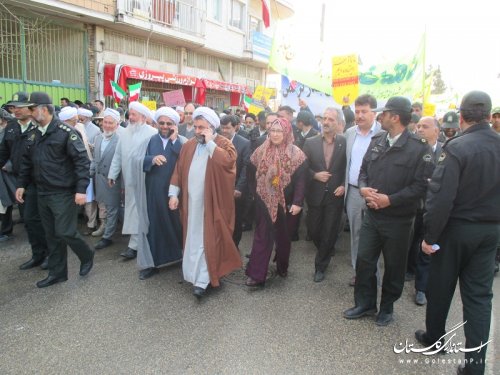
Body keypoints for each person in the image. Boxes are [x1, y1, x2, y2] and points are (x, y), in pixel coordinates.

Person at [415, 91, 500, 375]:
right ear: (489, 116)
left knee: (440, 287)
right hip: (490, 231)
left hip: (457, 229)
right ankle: (475, 366)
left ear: (461, 116)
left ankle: (435, 338)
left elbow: (441, 198)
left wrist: (429, 237)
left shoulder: (457, 147)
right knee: (479, 297)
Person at [343, 96, 433, 326]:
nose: (379, 117)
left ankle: (386, 308)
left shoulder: (418, 148)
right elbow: (363, 171)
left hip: (399, 220)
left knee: (394, 267)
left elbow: (421, 186)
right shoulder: (378, 140)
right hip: (372, 215)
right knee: (365, 261)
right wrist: (363, 189)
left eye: (383, 113)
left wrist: (389, 200)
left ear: (395, 117)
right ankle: (365, 303)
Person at [15, 92, 94, 288]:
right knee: (51, 234)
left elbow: (82, 162)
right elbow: (26, 162)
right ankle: (58, 273)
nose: (30, 113)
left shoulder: (65, 132)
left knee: (65, 231)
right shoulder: (34, 133)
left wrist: (81, 189)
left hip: (63, 192)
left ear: (44, 109)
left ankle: (87, 254)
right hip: (42, 191)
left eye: (32, 109)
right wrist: (21, 184)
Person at [168, 107, 242, 298]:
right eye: (196, 126)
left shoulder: (223, 144)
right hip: (191, 204)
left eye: (202, 127)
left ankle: (204, 280)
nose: (198, 131)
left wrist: (210, 144)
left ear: (212, 128)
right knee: (193, 238)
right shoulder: (189, 145)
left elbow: (228, 163)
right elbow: (178, 170)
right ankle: (193, 275)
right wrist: (174, 194)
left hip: (212, 204)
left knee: (208, 238)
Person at [245, 118, 307, 287]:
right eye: (273, 130)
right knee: (262, 236)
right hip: (264, 200)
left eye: (279, 131)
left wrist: (297, 202)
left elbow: (301, 181)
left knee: (283, 238)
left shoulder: (297, 154)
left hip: (286, 203)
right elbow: (250, 170)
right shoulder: (261, 150)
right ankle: (256, 275)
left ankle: (282, 266)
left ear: (286, 132)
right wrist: (255, 192)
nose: (275, 134)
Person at [0, 92, 49, 268]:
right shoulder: (12, 127)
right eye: (14, 107)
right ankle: (37, 254)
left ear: (31, 108)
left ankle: (50, 254)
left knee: (42, 220)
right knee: (28, 220)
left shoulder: (40, 127)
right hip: (19, 182)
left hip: (38, 182)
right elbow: (4, 152)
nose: (16, 110)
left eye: (20, 107)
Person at [139, 107, 185, 280]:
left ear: (175, 125)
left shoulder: (182, 141)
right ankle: (154, 263)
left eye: (169, 123)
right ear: (157, 123)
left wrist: (175, 141)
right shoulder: (149, 140)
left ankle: (180, 257)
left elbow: (186, 159)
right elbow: (138, 159)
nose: (165, 126)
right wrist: (152, 159)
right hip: (154, 191)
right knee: (155, 225)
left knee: (176, 224)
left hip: (175, 192)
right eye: (162, 123)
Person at [108, 102, 157, 260]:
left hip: (146, 181)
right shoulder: (125, 133)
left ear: (143, 117)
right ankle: (134, 244)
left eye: (134, 114)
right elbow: (118, 155)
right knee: (132, 212)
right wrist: (112, 174)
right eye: (130, 114)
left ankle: (140, 244)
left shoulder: (152, 133)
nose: (131, 117)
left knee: (144, 212)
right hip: (129, 181)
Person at [303, 107, 346, 282]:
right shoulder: (310, 142)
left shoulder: (344, 142)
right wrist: (314, 175)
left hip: (335, 195)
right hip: (315, 194)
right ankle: (325, 248)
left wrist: (343, 185)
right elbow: (302, 168)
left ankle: (321, 266)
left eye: (330, 119)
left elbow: (348, 168)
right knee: (313, 229)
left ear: (338, 123)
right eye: (324, 119)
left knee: (329, 231)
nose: (326, 122)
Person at [343, 94, 381, 287]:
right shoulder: (350, 133)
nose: (359, 115)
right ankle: (359, 272)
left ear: (374, 112)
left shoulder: (383, 133)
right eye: (357, 111)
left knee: (376, 236)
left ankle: (373, 273)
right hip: (354, 193)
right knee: (356, 234)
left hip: (376, 193)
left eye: (364, 111)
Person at [409, 116, 442, 306]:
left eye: (425, 126)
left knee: (426, 245)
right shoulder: (413, 149)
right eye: (419, 126)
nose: (420, 129)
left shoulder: (447, 150)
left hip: (434, 207)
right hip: (414, 204)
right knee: (411, 241)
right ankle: (408, 269)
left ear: (436, 131)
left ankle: (421, 288)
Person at [90, 109, 122, 251]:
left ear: (117, 124)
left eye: (111, 123)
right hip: (99, 179)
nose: (107, 125)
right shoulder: (98, 138)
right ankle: (109, 229)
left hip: (113, 180)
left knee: (112, 208)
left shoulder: (120, 140)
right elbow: (95, 160)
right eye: (105, 122)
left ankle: (108, 236)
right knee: (104, 206)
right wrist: (90, 174)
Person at [219, 114, 250, 248]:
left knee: (236, 219)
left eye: (227, 128)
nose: (224, 131)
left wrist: (239, 188)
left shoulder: (244, 143)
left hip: (235, 189)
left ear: (235, 127)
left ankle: (234, 246)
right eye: (222, 128)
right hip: (219, 187)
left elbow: (245, 167)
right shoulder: (216, 141)